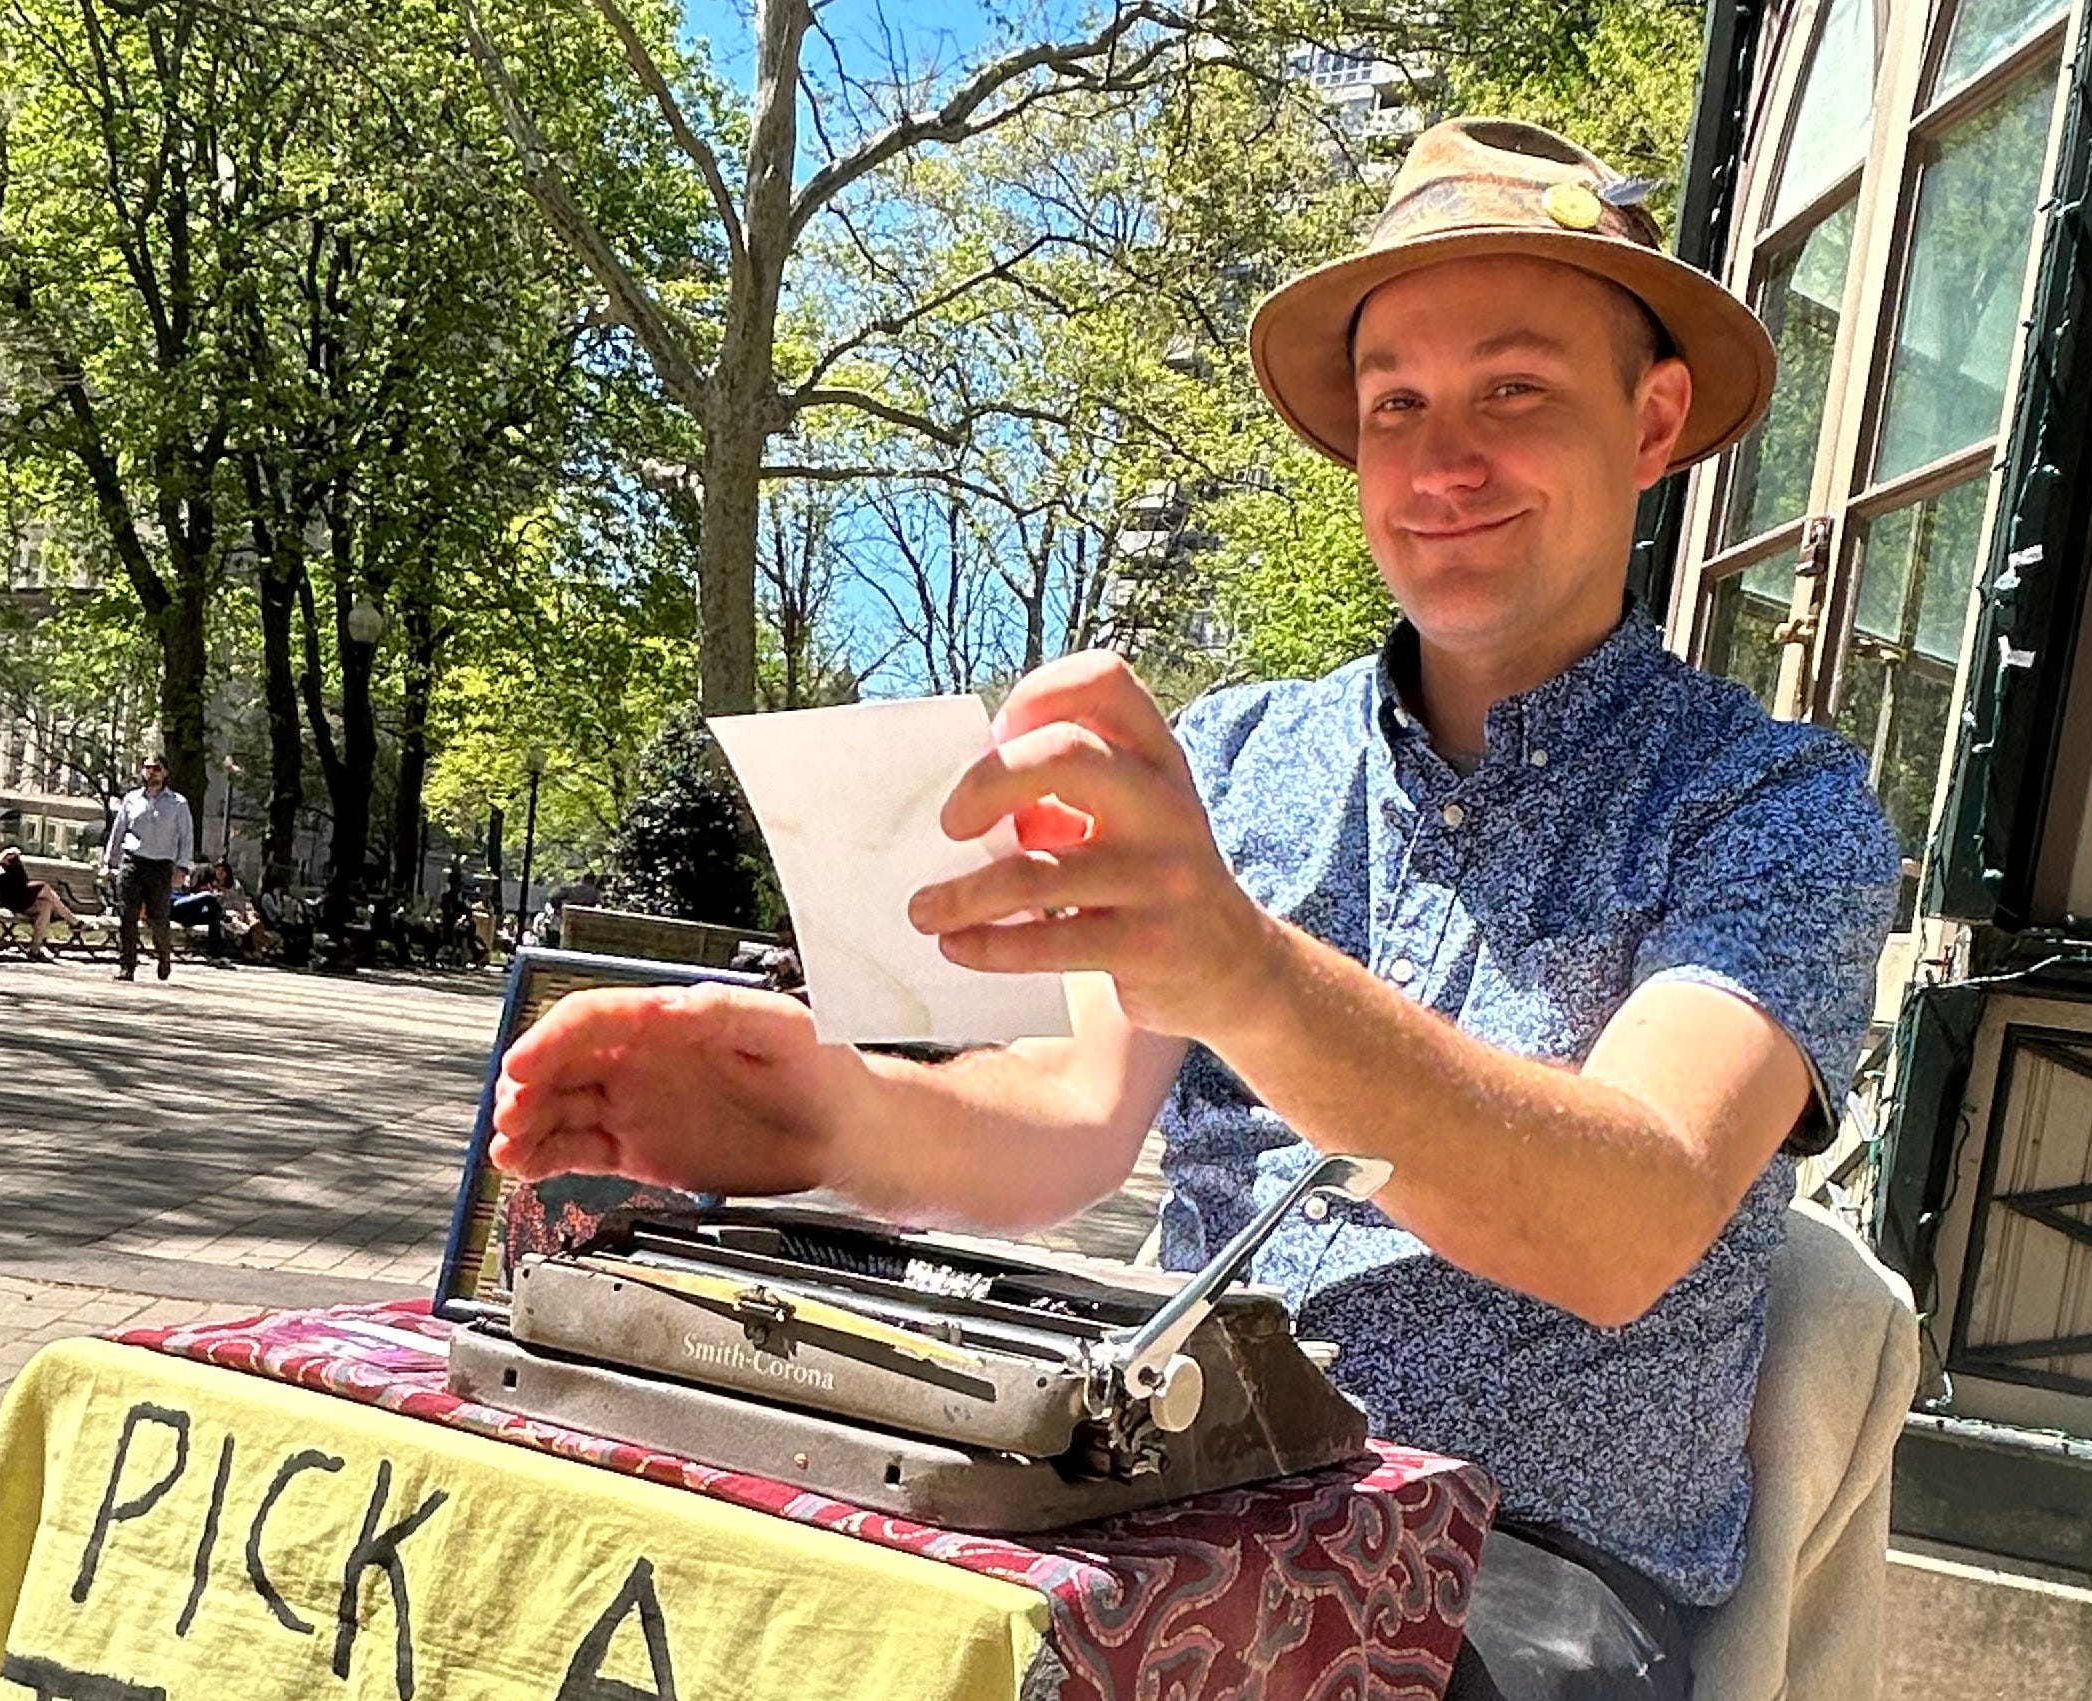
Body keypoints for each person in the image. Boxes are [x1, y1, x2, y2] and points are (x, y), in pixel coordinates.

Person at [490, 118, 1897, 1700]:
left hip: (1530, 1580)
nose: (1441, 461)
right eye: (1397, 407)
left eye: (1515, 391)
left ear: (1651, 424)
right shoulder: (1233, 757)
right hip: (1170, 1498)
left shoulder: (1771, 806)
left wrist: (1243, 973)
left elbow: (1625, 1222)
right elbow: (1071, 1115)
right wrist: (821, 1114)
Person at [101, 755, 194, 982]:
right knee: (127, 915)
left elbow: (186, 837)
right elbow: (118, 831)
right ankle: (127, 966)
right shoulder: (131, 799)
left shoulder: (178, 804)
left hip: (161, 867)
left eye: (156, 768)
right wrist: (109, 862)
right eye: (147, 768)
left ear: (165, 773)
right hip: (133, 862)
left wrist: (182, 867)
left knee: (158, 917)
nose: (151, 772)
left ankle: (164, 956)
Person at [0, 820, 81, 961]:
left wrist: (7, 860)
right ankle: (74, 922)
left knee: (46, 905)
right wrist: (4, 855)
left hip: (2, 894)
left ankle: (35, 950)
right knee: (44, 887)